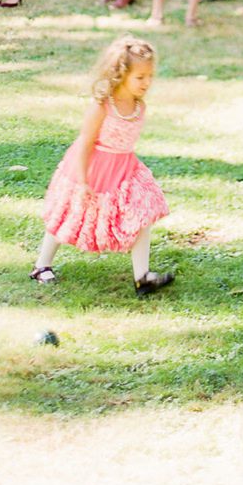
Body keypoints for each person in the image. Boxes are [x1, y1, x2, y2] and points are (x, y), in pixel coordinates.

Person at [30, 37, 173, 295]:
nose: (147, 83)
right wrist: (82, 180)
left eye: (150, 76)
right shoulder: (102, 105)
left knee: (143, 212)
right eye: (140, 77)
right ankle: (42, 264)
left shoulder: (139, 106)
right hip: (92, 167)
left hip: (125, 167)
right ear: (121, 74)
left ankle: (142, 277)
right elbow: (86, 142)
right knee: (69, 214)